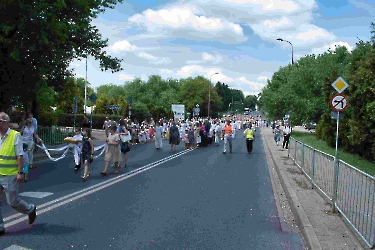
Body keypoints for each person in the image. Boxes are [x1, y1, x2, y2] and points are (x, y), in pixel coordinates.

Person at [0, 112, 37, 235]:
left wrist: (20, 172)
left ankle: (30, 209)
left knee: (13, 202)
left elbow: (19, 155)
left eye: (0, 121)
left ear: (6, 122)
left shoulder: (14, 136)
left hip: (10, 174)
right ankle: (0, 227)